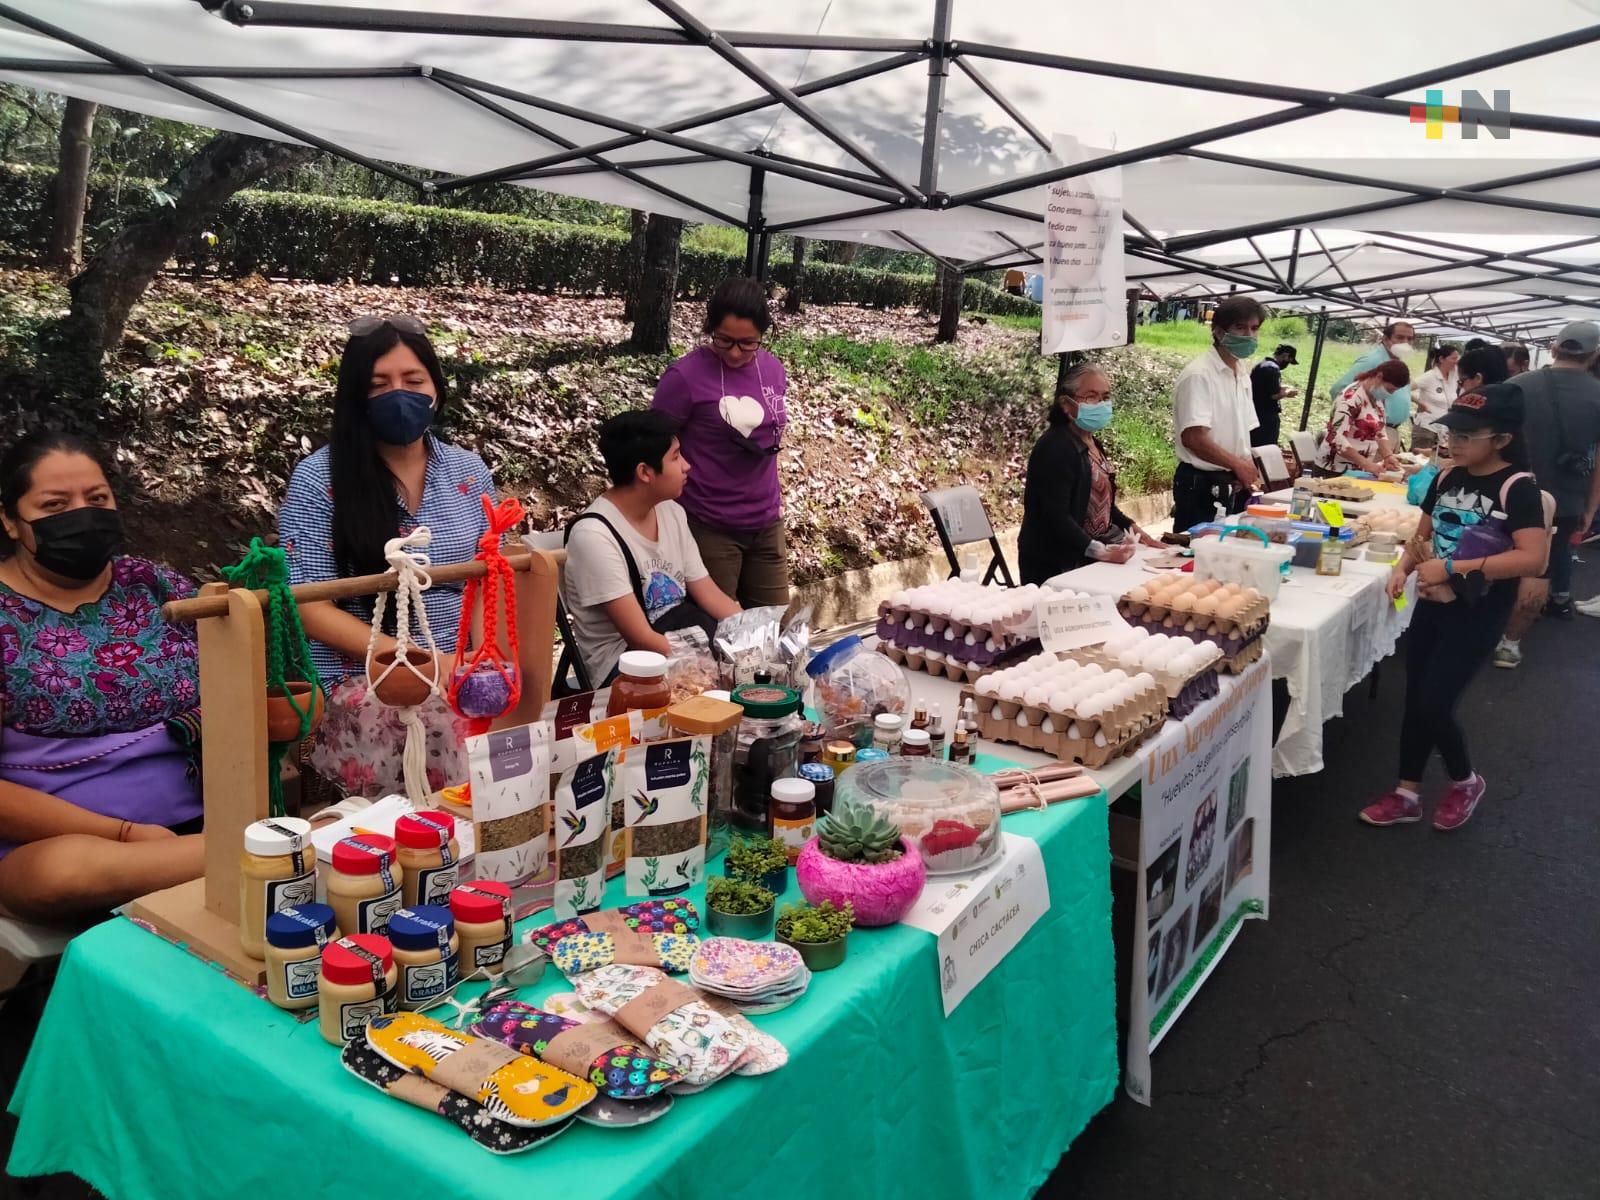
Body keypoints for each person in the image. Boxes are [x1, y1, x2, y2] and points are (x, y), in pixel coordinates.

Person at [279, 315, 496, 797]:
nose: (399, 393)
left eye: (413, 380)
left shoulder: (469, 472)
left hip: (456, 662)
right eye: (379, 384)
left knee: (517, 708)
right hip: (365, 671)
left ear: (436, 389)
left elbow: (485, 580)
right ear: (356, 396)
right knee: (435, 726)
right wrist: (417, 663)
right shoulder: (319, 480)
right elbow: (310, 604)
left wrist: (479, 660)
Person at [0, 432, 205, 924]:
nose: (82, 513)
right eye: (55, 504)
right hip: (66, 845)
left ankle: (234, 859)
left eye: (97, 499)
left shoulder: (156, 586)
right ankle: (270, 858)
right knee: (64, 874)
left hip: (206, 811)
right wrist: (124, 835)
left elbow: (250, 680)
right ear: (10, 520)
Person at [1362, 384, 1547, 832]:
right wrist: (1402, 568)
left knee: (1434, 702)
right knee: (1416, 700)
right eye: (1452, 433)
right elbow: (1422, 535)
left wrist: (1454, 568)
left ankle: (1465, 779)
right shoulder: (1447, 477)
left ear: (1502, 439)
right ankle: (1407, 792)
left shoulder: (1517, 487)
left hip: (1477, 611)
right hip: (1431, 603)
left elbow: (1533, 558)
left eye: (1467, 435)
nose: (1454, 442)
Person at [563, 411, 741, 685]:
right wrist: (710, 667)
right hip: (625, 665)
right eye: (675, 457)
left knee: (760, 672)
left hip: (679, 641)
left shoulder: (671, 512)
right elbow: (640, 638)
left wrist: (753, 634)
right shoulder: (594, 536)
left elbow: (708, 594)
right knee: (735, 688)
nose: (686, 466)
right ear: (645, 472)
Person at [652, 277, 790, 610]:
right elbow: (655, 443)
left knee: (772, 628)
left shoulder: (772, 369)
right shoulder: (684, 377)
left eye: (748, 343)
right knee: (718, 635)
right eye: (724, 340)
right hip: (709, 524)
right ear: (710, 328)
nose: (735, 352)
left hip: (766, 520)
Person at [1492, 321, 1600, 665]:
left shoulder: (1516, 385)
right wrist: (1590, 507)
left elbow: (1491, 439)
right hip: (1566, 497)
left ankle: (1480, 627)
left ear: (1553, 350)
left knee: (1493, 554)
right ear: (1595, 354)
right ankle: (1509, 644)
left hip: (1506, 490)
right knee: (1540, 569)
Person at [1018, 363, 1163, 583]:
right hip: (1056, 563)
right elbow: (1056, 517)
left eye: (1106, 397)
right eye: (1091, 397)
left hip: (1088, 555)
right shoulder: (1055, 448)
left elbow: (1102, 503)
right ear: (1067, 404)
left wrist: (1137, 532)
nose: (1101, 404)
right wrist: (1100, 552)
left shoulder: (1091, 442)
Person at [1170, 296, 1265, 532]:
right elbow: (1194, 438)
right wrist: (1238, 465)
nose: (1249, 335)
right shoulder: (1200, 375)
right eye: (1240, 327)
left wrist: (1247, 468)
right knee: (1195, 554)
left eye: (1254, 328)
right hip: (1200, 484)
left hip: (1231, 481)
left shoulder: (1242, 372)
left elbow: (1243, 432)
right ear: (1219, 332)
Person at [1313, 360, 1410, 474]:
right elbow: (1337, 439)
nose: (1390, 394)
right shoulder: (1350, 399)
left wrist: (1388, 456)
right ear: (1379, 377)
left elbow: (1380, 431)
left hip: (1358, 470)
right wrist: (1367, 464)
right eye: (1389, 389)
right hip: (1334, 470)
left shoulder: (1375, 398)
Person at [1328, 321, 1416, 443]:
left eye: (1410, 339)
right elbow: (1338, 389)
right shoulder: (1373, 360)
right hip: (1370, 433)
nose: (1405, 342)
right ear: (1386, 339)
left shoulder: (1397, 363)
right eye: (1400, 337)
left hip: (1387, 432)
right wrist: (1358, 421)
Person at [1411, 342, 1460, 450]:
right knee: (1419, 461)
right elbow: (1404, 389)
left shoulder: (1454, 374)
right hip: (1426, 428)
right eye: (1453, 358)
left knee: (1437, 461)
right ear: (1442, 359)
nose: (1456, 362)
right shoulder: (1429, 376)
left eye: (1457, 358)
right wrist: (1419, 403)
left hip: (1444, 430)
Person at [1249, 342, 1299, 447]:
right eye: (1288, 361)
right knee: (1267, 448)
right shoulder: (1273, 368)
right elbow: (1274, 395)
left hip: (1254, 413)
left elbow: (1264, 388)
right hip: (1266, 417)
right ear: (1285, 355)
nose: (1287, 364)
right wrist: (1287, 392)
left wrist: (1281, 388)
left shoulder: (1261, 364)